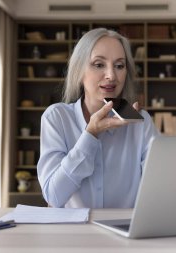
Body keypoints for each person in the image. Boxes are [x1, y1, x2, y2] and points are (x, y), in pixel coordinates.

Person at [37, 28, 159, 208]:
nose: (111, 76)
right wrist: (90, 134)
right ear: (79, 71)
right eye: (99, 64)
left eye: (119, 66)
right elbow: (54, 196)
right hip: (73, 234)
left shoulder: (139, 121)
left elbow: (160, 187)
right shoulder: (57, 117)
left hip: (125, 233)